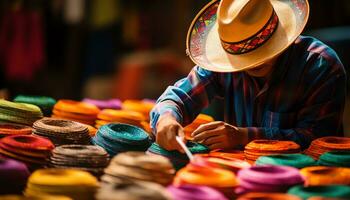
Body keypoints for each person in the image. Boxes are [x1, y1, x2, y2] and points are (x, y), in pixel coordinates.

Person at [150, 0, 346, 152]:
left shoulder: (320, 66)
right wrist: (167, 119)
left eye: (261, 54)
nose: (255, 63)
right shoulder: (223, 65)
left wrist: (243, 137)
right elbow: (179, 97)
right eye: (247, 58)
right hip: (240, 175)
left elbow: (317, 139)